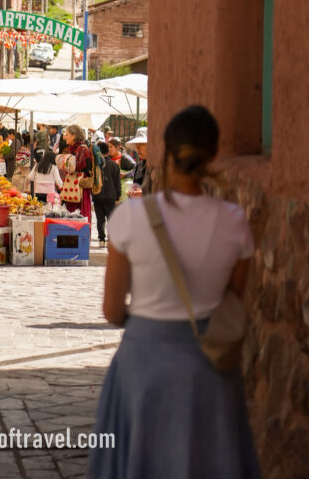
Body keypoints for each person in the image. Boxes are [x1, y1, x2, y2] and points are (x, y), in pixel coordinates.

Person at [88, 105, 260, 479]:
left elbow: (113, 311)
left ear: (164, 150)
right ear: (213, 154)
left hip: (143, 368)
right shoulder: (234, 222)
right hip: (208, 370)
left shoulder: (130, 219)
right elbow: (233, 300)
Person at [61, 124, 93, 222]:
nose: (65, 137)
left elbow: (81, 167)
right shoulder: (74, 149)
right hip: (74, 188)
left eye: (67, 134)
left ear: (74, 135)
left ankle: (80, 236)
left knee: (80, 215)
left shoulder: (82, 149)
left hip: (80, 187)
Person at [92, 141, 121, 247]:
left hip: (97, 196)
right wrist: (118, 196)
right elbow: (117, 182)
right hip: (110, 196)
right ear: (107, 151)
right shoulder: (114, 165)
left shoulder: (95, 165)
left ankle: (101, 239)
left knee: (100, 219)